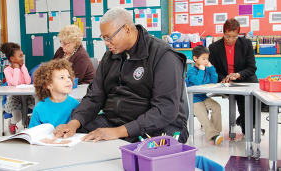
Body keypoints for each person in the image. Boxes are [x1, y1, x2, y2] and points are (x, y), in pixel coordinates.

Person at [53, 7, 188, 143]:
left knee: (140, 155)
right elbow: (94, 97)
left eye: (109, 38)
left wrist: (118, 132)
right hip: (114, 122)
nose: (106, 43)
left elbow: (165, 110)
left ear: (127, 30)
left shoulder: (163, 56)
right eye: (103, 38)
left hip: (158, 126)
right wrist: (74, 123)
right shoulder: (109, 57)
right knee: (74, 139)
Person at [209, 18, 258, 134]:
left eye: (234, 36)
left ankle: (242, 120)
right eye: (228, 36)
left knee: (258, 98)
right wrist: (224, 78)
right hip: (225, 82)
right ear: (223, 33)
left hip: (244, 79)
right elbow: (212, 70)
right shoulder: (214, 47)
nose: (231, 39)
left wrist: (238, 75)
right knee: (242, 98)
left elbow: (252, 68)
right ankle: (246, 123)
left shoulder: (246, 44)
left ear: (238, 34)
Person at [187, 45, 223, 146]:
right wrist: (201, 70)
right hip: (193, 99)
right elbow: (197, 82)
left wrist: (211, 68)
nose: (206, 61)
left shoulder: (207, 70)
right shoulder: (191, 72)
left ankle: (216, 132)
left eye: (207, 58)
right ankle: (213, 136)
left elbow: (214, 80)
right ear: (195, 58)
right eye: (203, 59)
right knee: (203, 114)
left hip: (203, 97)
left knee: (217, 107)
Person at [29, 59, 80, 128]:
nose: (68, 80)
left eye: (68, 77)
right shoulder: (39, 108)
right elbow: (32, 133)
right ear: (49, 85)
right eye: (61, 78)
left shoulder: (76, 105)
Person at [1, 42, 35, 134]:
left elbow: (28, 81)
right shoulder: (7, 70)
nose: (22, 58)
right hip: (14, 97)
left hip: (26, 95)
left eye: (22, 56)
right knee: (17, 117)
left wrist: (23, 68)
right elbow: (13, 83)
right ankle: (11, 123)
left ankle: (29, 119)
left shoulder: (23, 68)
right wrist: (16, 69)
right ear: (12, 59)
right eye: (20, 56)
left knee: (38, 108)